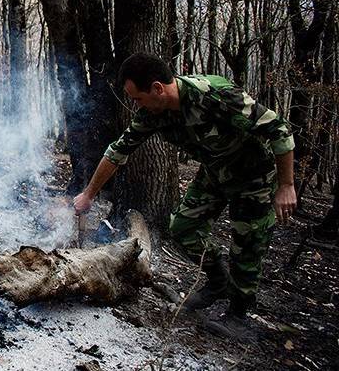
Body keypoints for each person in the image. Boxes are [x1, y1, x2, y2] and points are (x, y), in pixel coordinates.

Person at [72, 53, 297, 335]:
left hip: (253, 176)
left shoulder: (215, 96)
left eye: (138, 98)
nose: (136, 105)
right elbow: (118, 151)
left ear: (157, 89)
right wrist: (89, 194)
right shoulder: (154, 112)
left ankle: (239, 314)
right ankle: (218, 281)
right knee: (182, 227)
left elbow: (278, 128)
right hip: (215, 173)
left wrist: (286, 185)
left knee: (247, 244)